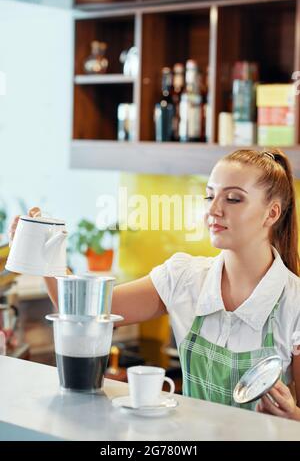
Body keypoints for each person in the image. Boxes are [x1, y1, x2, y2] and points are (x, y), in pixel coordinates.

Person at [9, 148, 300, 421]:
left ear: (271, 213)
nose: (214, 210)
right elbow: (82, 312)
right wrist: (44, 250)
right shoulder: (184, 277)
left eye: (233, 199)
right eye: (210, 196)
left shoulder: (295, 301)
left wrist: (294, 419)